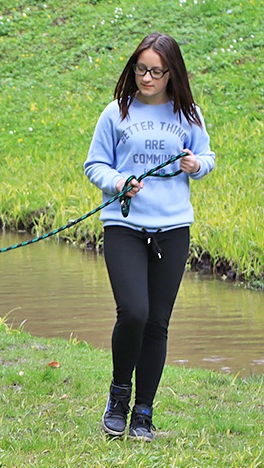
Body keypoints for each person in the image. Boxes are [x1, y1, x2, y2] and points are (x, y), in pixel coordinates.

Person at [84, 33, 215, 441]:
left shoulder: (188, 113)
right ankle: (118, 396)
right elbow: (95, 165)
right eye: (141, 69)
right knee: (134, 312)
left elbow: (208, 158)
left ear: (172, 72)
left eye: (157, 71)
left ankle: (144, 411)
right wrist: (120, 181)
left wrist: (196, 165)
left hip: (173, 228)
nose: (147, 78)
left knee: (157, 322)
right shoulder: (116, 113)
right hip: (124, 225)